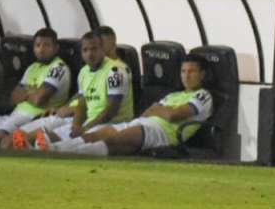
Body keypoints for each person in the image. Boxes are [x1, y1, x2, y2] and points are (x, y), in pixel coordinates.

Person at [35, 55, 213, 156]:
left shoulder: (203, 95)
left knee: (112, 140)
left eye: (192, 72)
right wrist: (162, 110)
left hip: (163, 134)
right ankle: (56, 150)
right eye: (183, 71)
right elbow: (149, 111)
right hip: (142, 124)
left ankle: (67, 154)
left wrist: (160, 110)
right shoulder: (174, 95)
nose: (186, 76)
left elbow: (174, 115)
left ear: (202, 74)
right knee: (97, 134)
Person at [12, 31, 133, 150]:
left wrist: (85, 128)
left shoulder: (115, 72)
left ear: (102, 49)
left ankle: (51, 149)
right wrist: (74, 121)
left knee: (72, 143)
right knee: (46, 138)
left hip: (112, 124)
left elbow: (110, 111)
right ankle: (36, 149)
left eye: (94, 49)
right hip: (90, 121)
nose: (90, 54)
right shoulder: (84, 72)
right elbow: (81, 99)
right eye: (85, 50)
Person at [0, 28, 71, 147]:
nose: (41, 50)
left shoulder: (58, 68)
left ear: (56, 48)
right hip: (15, 114)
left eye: (46, 45)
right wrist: (32, 92)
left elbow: (38, 99)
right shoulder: (32, 67)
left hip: (34, 117)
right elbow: (14, 98)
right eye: (38, 45)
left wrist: (26, 92)